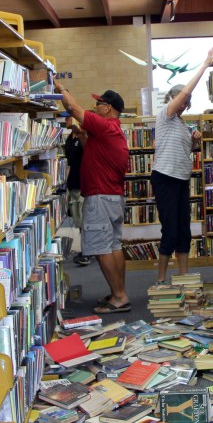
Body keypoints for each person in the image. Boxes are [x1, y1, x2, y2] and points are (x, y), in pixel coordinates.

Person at [54, 82, 131, 314]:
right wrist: (82, 136)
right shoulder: (112, 131)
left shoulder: (105, 125)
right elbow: (96, 152)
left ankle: (119, 297)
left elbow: (73, 108)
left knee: (101, 248)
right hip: (113, 197)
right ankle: (120, 293)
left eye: (98, 103)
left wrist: (60, 88)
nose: (95, 106)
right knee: (113, 245)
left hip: (100, 197)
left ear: (108, 108)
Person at [151, 47, 213, 285]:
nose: (184, 105)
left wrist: (192, 142)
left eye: (187, 103)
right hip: (165, 177)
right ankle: (161, 278)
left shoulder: (180, 124)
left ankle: (182, 277)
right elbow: (183, 95)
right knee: (169, 230)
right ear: (173, 99)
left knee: (183, 230)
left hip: (181, 179)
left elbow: (182, 152)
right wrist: (204, 65)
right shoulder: (166, 114)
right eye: (182, 101)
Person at [64, 115, 91, 266]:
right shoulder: (69, 138)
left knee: (84, 219)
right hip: (73, 183)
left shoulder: (83, 137)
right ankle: (86, 250)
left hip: (82, 184)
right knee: (78, 220)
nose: (65, 122)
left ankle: (87, 252)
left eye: (67, 119)